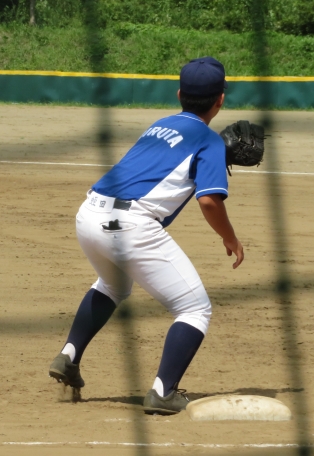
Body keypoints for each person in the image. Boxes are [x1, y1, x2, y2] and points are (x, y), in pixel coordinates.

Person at [48, 56, 244, 415]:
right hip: (129, 226)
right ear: (220, 100)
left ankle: (69, 356)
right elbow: (209, 201)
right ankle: (163, 392)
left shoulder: (161, 124)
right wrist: (230, 238)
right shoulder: (210, 142)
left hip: (89, 214)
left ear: (179, 94)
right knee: (194, 308)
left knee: (113, 285)